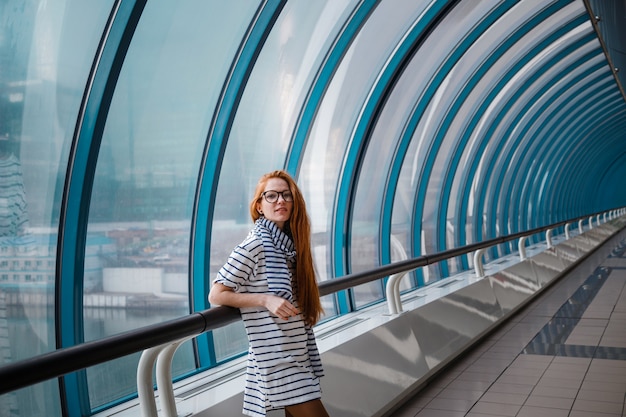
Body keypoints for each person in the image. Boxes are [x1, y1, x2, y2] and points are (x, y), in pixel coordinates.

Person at [209, 170, 330, 417]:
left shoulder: (291, 247)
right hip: (277, 358)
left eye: (286, 195)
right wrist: (265, 299)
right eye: (271, 196)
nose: (280, 201)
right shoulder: (255, 245)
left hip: (297, 350)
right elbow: (216, 294)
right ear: (259, 206)